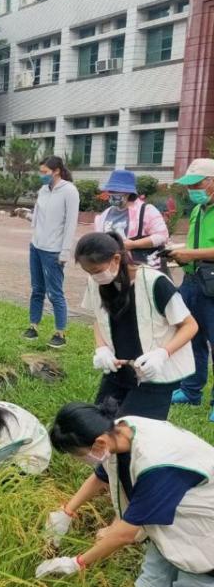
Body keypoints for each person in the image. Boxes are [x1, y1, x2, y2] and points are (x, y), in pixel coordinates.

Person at [39, 402, 214, 587]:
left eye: (78, 455)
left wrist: (77, 562)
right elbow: (102, 475)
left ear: (98, 443)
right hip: (171, 524)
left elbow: (125, 534)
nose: (79, 462)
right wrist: (67, 510)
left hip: (206, 531)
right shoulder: (120, 430)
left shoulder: (156, 464)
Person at [77, 232, 196, 421]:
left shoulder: (155, 283)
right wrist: (101, 348)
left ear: (116, 258)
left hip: (153, 373)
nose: (93, 276)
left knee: (133, 434)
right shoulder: (97, 282)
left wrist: (162, 354)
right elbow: (97, 318)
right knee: (101, 425)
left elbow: (190, 325)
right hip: (119, 370)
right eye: (88, 272)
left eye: (96, 270)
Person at [168, 158, 214, 420]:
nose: (191, 190)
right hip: (191, 282)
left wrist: (190, 253)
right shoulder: (198, 209)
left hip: (212, 284)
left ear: (212, 182)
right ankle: (190, 390)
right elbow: (194, 244)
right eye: (188, 185)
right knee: (191, 338)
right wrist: (179, 253)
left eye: (196, 184)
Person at [25, 156, 79, 349]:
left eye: (45, 172)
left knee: (55, 292)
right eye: (41, 172)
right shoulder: (43, 190)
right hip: (36, 246)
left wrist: (65, 252)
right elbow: (39, 217)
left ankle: (60, 332)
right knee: (37, 289)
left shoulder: (69, 191)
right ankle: (33, 325)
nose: (42, 176)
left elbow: (71, 224)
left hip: (54, 250)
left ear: (56, 171)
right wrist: (25, 214)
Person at [95, 168, 169, 273]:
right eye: (110, 191)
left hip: (142, 269)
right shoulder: (105, 214)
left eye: (116, 191)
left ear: (128, 193)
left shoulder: (146, 210)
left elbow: (162, 237)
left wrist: (134, 244)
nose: (112, 194)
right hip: (114, 269)